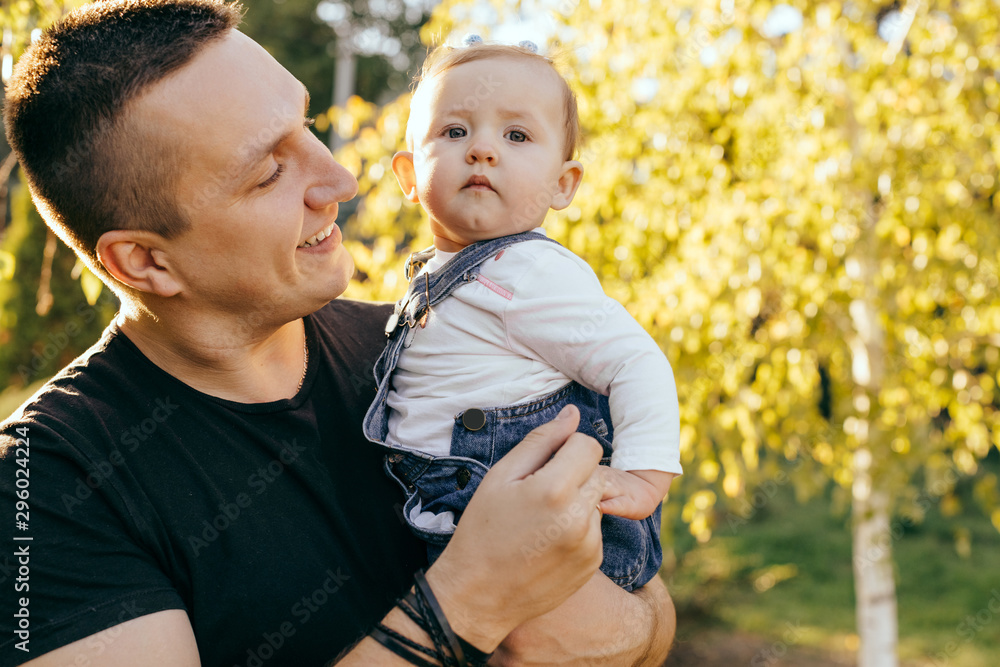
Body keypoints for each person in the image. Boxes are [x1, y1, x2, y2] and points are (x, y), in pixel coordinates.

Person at [0, 1, 676, 665]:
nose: (339, 179)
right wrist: (467, 608)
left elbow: (647, 609)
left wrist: (627, 629)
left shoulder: (422, 351)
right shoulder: (43, 489)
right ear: (145, 260)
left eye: (308, 124)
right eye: (268, 172)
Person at [362, 37, 682, 628]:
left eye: (516, 137)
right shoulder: (441, 275)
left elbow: (637, 362)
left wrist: (642, 474)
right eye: (454, 132)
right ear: (408, 175)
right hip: (455, 518)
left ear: (564, 184)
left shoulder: (530, 272)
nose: (482, 149)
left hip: (526, 530)